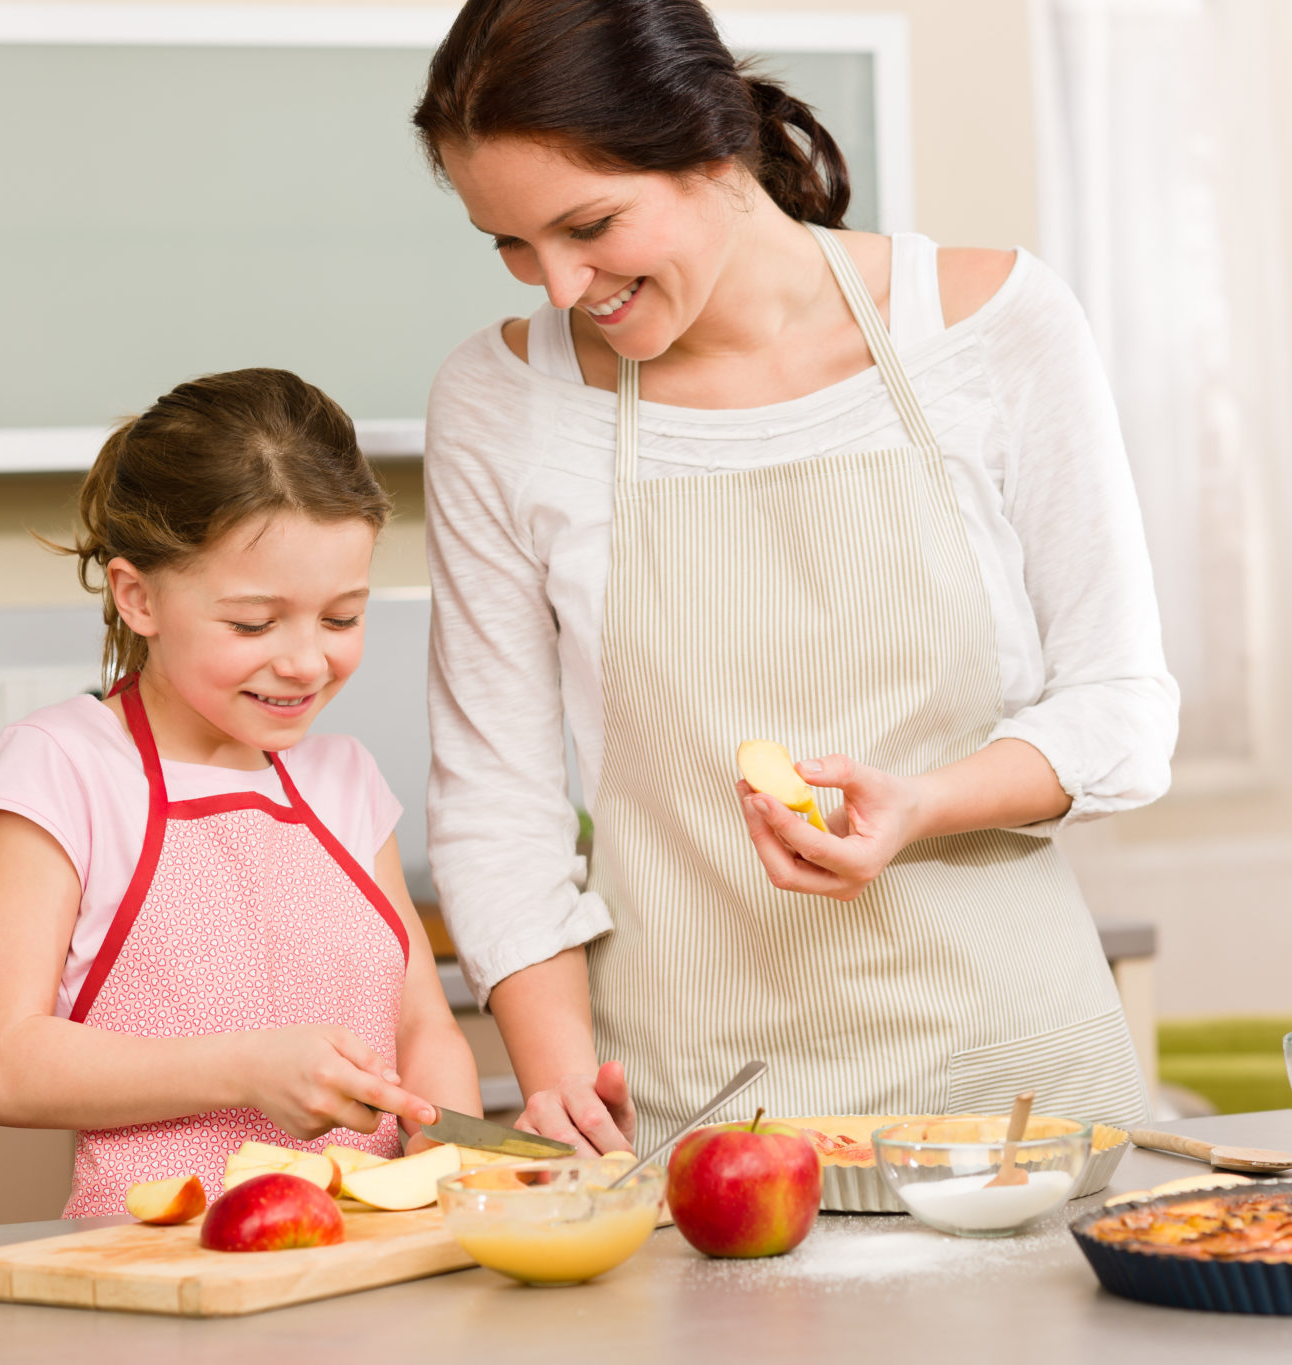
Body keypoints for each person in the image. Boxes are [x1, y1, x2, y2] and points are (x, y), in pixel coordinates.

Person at [415, 0, 1178, 1155]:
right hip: (700, 1118)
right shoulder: (499, 400)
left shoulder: (992, 327)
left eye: (590, 226)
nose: (558, 286)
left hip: (1012, 1102)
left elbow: (1121, 710)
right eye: (512, 245)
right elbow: (495, 804)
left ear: (715, 151)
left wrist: (920, 804)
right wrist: (563, 1083)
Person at [0, 369, 478, 1215]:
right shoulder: (63, 768)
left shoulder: (342, 779)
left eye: (341, 617)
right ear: (139, 597)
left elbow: (422, 1026)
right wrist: (246, 1070)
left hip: (367, 1268)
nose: (307, 660)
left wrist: (442, 1138)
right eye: (253, 623)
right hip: (156, 1288)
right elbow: (3, 1063)